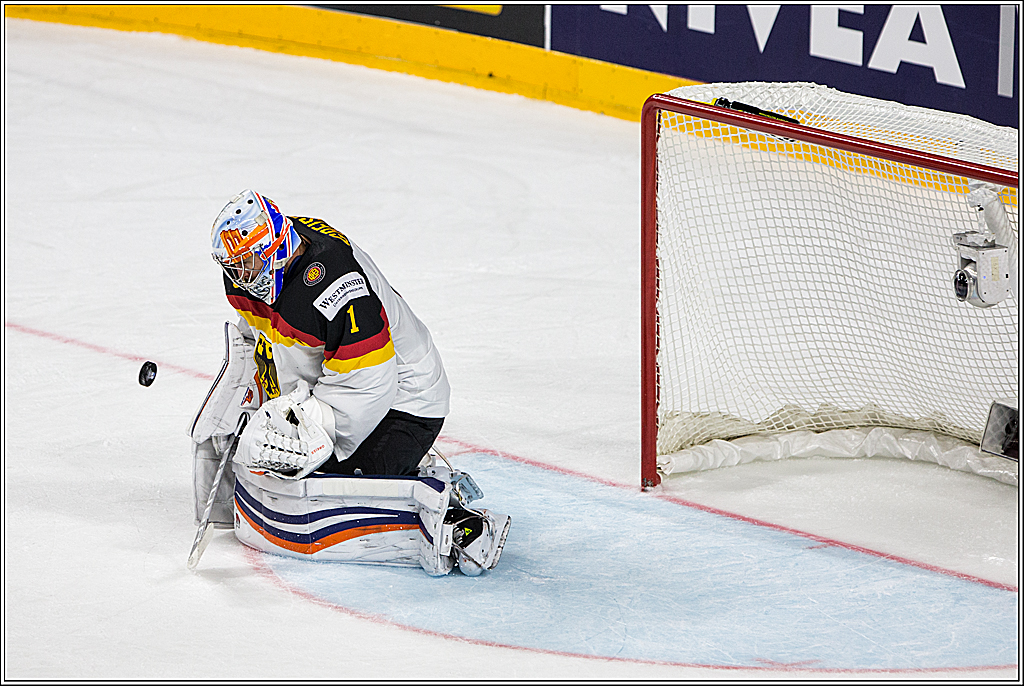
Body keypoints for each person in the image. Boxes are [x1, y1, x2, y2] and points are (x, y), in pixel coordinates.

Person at [188, 189, 509, 575]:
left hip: (404, 400)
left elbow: (371, 381)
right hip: (338, 381)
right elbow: (267, 336)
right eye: (234, 265)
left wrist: (308, 429)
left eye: (249, 262)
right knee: (271, 462)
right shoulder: (257, 273)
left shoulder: (335, 286)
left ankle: (452, 521)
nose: (240, 275)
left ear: (276, 244)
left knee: (328, 490)